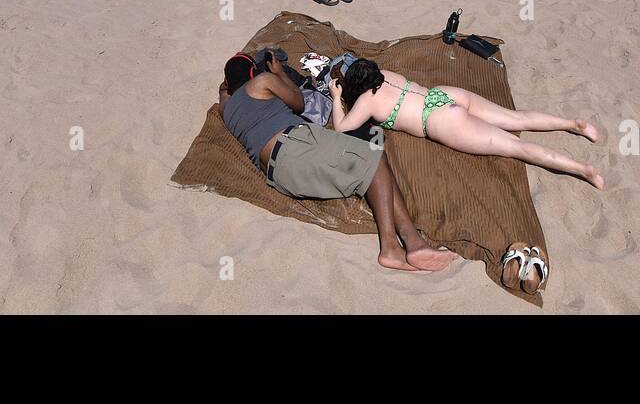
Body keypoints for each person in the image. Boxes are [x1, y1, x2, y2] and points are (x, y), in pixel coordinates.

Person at [220, 53, 455, 272]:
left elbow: (224, 96)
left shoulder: (226, 109)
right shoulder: (262, 81)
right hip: (295, 145)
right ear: (253, 72)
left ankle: (413, 241)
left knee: (370, 162)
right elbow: (299, 102)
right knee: (374, 151)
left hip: (280, 175)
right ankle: (392, 247)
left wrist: (225, 92)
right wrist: (278, 72)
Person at [330, 60, 603, 188]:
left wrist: (337, 97)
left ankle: (583, 169)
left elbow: (342, 127)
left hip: (440, 121)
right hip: (444, 94)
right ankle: (572, 123)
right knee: (515, 118)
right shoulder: (386, 74)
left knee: (516, 147)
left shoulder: (366, 100)